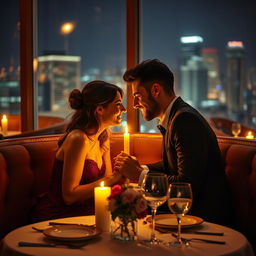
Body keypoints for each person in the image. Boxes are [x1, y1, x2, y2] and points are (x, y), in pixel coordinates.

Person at [114, 59, 232, 226]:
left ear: (155, 90)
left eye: (137, 96)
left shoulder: (184, 120)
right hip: (188, 214)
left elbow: (187, 184)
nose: (134, 105)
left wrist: (139, 175)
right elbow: (174, 164)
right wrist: (142, 167)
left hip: (204, 220)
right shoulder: (176, 117)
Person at [31, 80, 126, 222]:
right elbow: (69, 196)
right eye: (118, 104)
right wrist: (115, 177)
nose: (123, 109)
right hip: (59, 216)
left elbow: (107, 185)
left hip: (87, 214)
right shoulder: (78, 139)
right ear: (100, 109)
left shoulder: (103, 137)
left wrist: (126, 179)